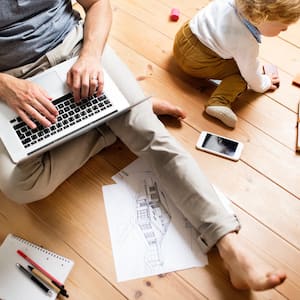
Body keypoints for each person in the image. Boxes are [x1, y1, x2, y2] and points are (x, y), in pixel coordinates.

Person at [0, 0, 286, 291]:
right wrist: (4, 86)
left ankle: (230, 246)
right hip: (12, 80)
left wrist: (90, 55)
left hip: (76, 50)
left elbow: (97, 3)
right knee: (19, 184)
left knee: (153, 137)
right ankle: (116, 117)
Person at [173, 0, 300, 128]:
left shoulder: (227, 2)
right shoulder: (247, 42)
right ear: (261, 18)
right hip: (196, 63)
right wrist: (264, 83)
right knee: (242, 75)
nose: (285, 29)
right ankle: (219, 102)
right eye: (283, 26)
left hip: (182, 39)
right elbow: (251, 74)